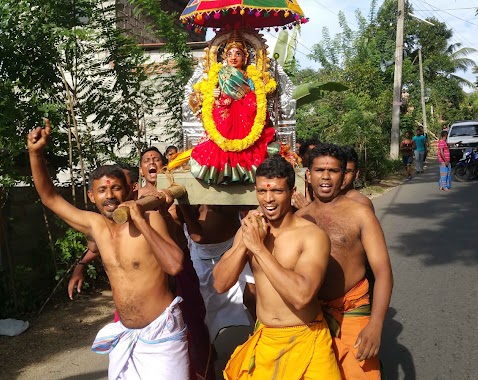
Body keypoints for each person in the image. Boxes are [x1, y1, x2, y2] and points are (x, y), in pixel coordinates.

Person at [28, 121, 189, 379]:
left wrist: (140, 221)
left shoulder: (149, 219)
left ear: (128, 190)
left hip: (162, 335)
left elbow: (175, 265)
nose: (110, 195)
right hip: (125, 334)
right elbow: (49, 197)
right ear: (92, 197)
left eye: (115, 188)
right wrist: (35, 154)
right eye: (102, 190)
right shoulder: (97, 226)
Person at [212, 156, 340, 379]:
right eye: (262, 191)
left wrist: (259, 249)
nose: (268, 199)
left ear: (291, 191)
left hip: (307, 338)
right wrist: (245, 243)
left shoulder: (312, 236)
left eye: (277, 191)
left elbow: (302, 296)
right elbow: (220, 284)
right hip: (266, 340)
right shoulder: (250, 231)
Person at [296, 143, 393, 380]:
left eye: (333, 171)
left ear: (344, 176)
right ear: (308, 176)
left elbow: (383, 273)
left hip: (353, 311)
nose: (326, 176)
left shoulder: (360, 213)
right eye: (319, 170)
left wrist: (376, 325)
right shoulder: (299, 218)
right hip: (313, 316)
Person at [190, 30, 276, 184]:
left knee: (252, 106)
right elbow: (206, 95)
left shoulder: (249, 76)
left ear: (245, 57)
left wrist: (250, 93)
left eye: (238, 54)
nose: (233, 57)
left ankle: (244, 165)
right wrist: (214, 93)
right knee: (222, 121)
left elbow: (257, 95)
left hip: (245, 112)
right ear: (224, 57)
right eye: (230, 54)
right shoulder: (219, 74)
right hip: (223, 111)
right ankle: (223, 168)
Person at [179, 205, 256, 341]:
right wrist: (183, 206)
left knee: (250, 295)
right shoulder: (189, 201)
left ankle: (258, 334)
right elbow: (197, 236)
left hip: (231, 247)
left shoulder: (225, 193)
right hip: (198, 253)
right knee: (202, 304)